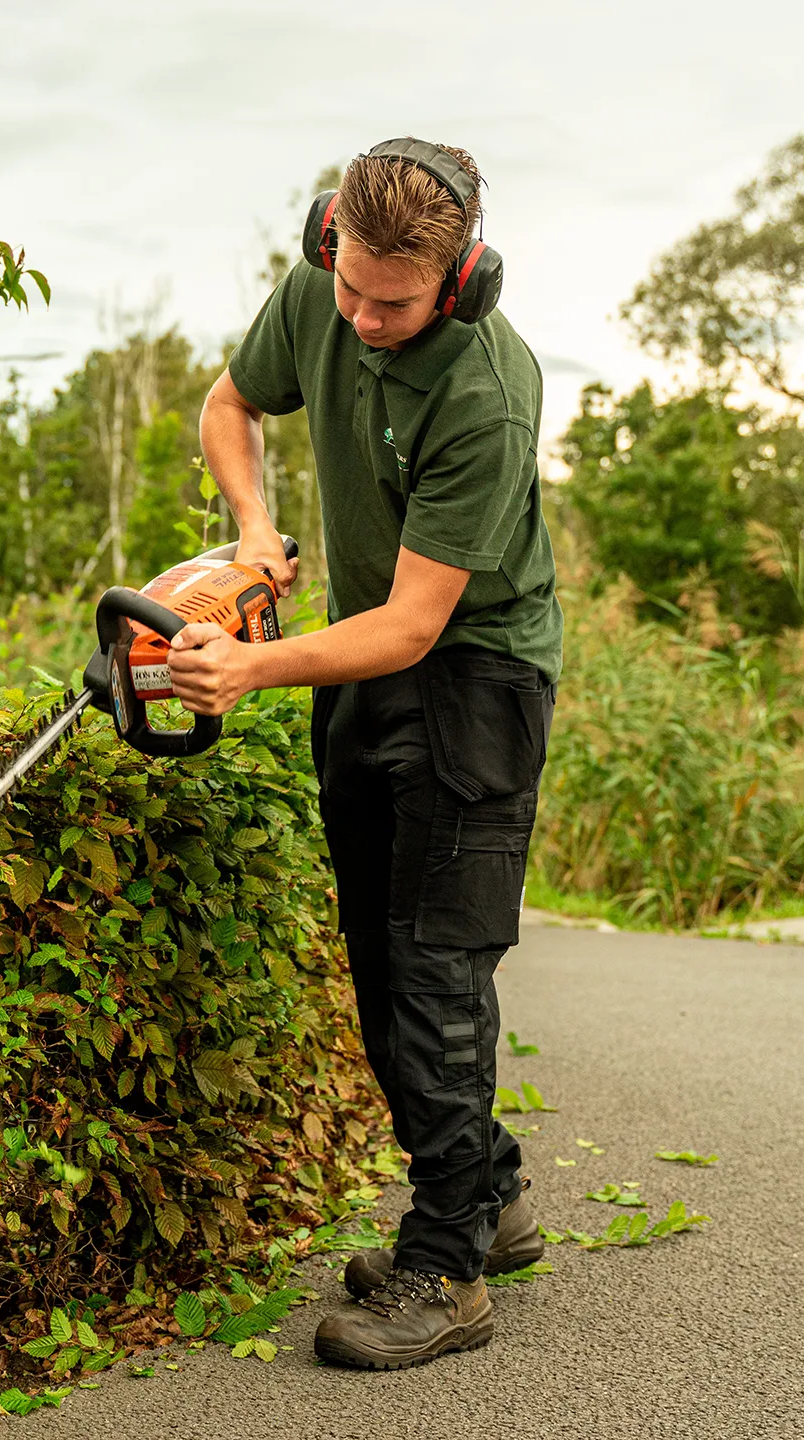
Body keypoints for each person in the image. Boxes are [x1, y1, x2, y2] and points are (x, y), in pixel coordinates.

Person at [168, 137, 563, 1370]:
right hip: (360, 667)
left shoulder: (487, 390)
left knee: (437, 966)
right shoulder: (326, 285)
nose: (360, 318)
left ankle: (447, 1269)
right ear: (329, 236)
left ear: (461, 280)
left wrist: (245, 668)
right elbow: (229, 405)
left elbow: (413, 624)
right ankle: (486, 1193)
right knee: (377, 966)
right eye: (347, 288)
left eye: (391, 304)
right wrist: (253, 530)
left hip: (472, 675)